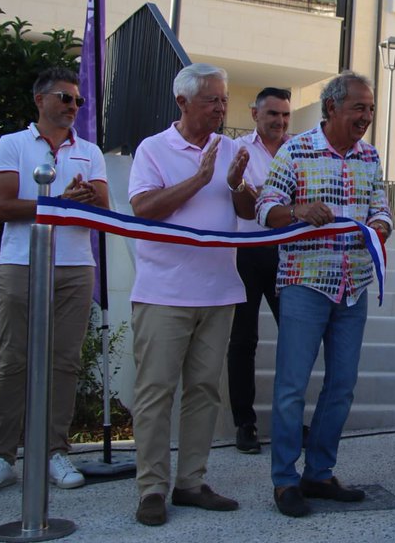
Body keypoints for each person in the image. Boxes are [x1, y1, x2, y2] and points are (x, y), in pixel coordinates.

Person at [0, 67, 109, 498]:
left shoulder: (90, 151)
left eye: (78, 101)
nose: (72, 107)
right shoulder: (12, 144)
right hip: (22, 261)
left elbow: (104, 207)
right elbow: (3, 205)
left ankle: (53, 450)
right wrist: (60, 202)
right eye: (65, 98)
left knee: (65, 362)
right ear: (40, 100)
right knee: (15, 359)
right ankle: (1, 457)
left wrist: (84, 201)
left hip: (75, 265)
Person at [258, 71, 392, 519]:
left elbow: (381, 206)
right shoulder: (295, 150)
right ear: (332, 107)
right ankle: (284, 480)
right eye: (359, 108)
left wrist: (380, 227)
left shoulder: (370, 156)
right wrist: (296, 210)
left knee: (342, 386)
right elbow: (265, 207)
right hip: (304, 283)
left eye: (370, 109)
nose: (367, 117)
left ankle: (319, 472)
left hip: (353, 285)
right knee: (291, 387)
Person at [127, 63, 255, 526]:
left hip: (219, 291)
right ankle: (151, 489)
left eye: (224, 99)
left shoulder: (232, 147)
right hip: (164, 291)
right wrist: (199, 179)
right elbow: (143, 208)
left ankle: (191, 483)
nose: (221, 108)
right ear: (182, 102)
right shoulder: (153, 149)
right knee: (155, 391)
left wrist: (237, 181)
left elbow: (247, 209)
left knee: (203, 390)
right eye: (211, 100)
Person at [228, 87, 292, 454]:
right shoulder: (238, 152)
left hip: (287, 254)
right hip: (247, 252)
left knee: (295, 339)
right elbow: (237, 197)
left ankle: (287, 418)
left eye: (285, 115)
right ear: (255, 114)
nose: (280, 122)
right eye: (273, 114)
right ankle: (245, 423)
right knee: (242, 341)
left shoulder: (298, 152)